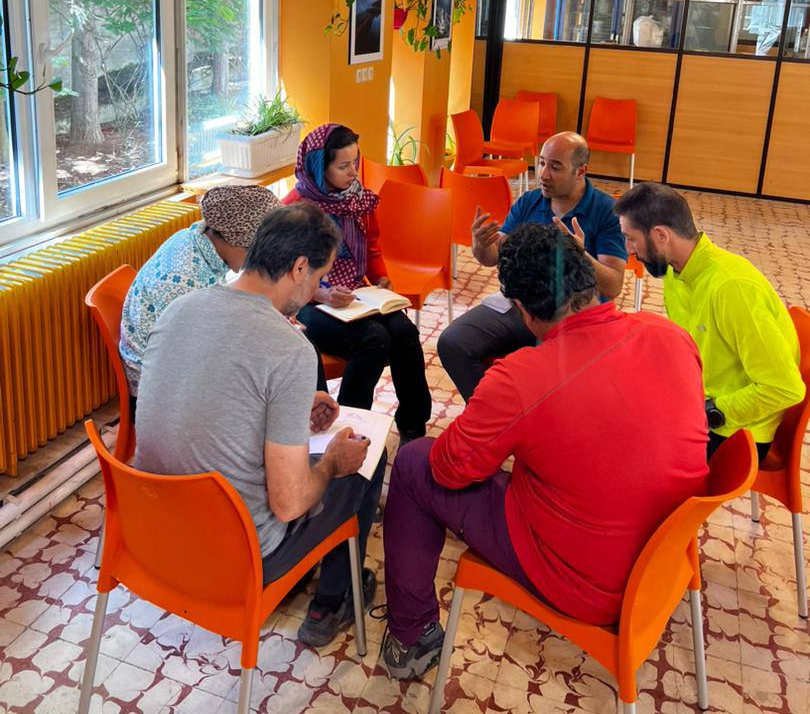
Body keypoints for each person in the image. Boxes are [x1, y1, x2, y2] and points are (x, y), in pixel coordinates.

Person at [381, 223, 708, 680]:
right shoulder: (669, 334)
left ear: (521, 310)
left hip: (585, 585)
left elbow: (449, 469)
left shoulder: (521, 377)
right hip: (665, 564)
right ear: (586, 275)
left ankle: (411, 635)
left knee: (414, 462)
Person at [134, 203, 385, 648]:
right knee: (365, 457)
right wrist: (331, 463)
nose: (316, 290)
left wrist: (289, 405)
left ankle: (319, 583)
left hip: (151, 536)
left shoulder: (179, 309)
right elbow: (288, 504)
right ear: (299, 267)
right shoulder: (289, 348)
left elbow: (213, 394)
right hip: (237, 559)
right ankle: (333, 601)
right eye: (319, 277)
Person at [615, 182, 806, 462]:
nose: (629, 249)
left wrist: (710, 412)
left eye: (631, 239)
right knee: (617, 410)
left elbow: (784, 388)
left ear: (660, 235)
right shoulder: (677, 271)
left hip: (737, 431)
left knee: (631, 458)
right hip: (700, 397)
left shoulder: (732, 288)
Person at [437, 131, 627, 400]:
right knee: (454, 342)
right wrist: (480, 245)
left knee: (546, 375)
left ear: (580, 171)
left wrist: (579, 255)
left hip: (573, 314)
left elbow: (614, 285)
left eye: (555, 167)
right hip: (523, 305)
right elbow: (494, 256)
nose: (543, 174)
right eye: (541, 163)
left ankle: (530, 417)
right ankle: (496, 413)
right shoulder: (530, 201)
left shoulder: (606, 211)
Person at [283, 124, 432, 442]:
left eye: (356, 162)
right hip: (307, 302)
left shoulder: (359, 200)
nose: (353, 172)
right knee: (373, 339)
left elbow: (373, 247)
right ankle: (347, 424)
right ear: (319, 167)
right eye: (343, 166)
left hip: (356, 293)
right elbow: (286, 275)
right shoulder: (295, 209)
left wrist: (381, 278)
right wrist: (323, 294)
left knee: (405, 332)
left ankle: (413, 424)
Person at [120, 184, 281, 396]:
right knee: (271, 378)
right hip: (160, 387)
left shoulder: (196, 238)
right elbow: (191, 357)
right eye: (254, 253)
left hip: (181, 358)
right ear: (234, 240)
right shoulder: (183, 282)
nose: (256, 262)